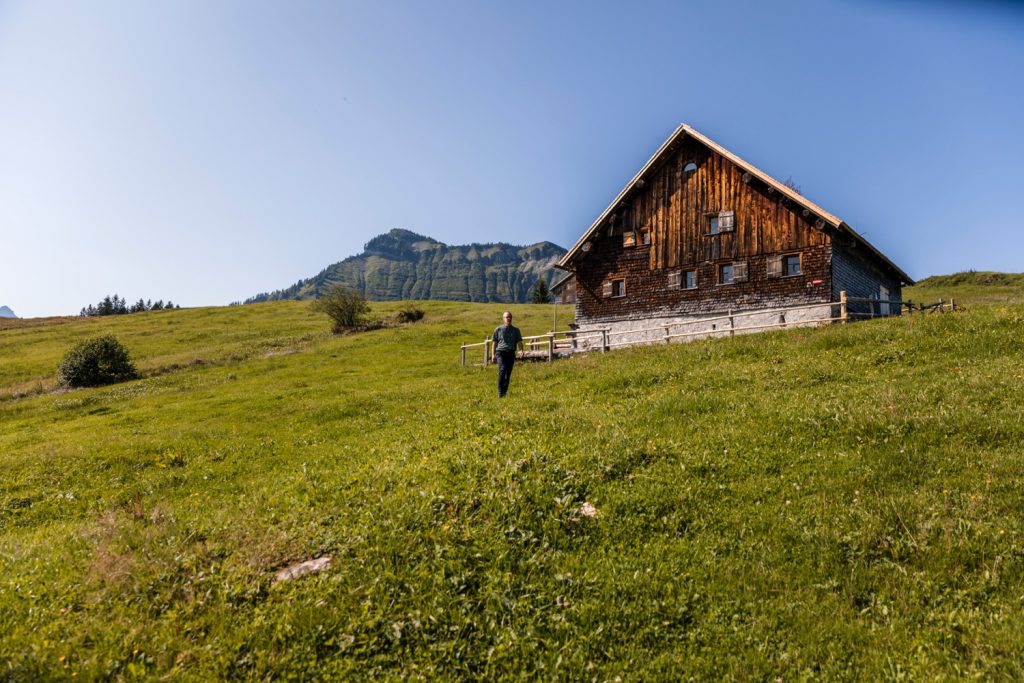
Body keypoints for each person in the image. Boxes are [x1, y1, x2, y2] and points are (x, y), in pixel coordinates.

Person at [492, 310, 524, 398]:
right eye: (506, 317)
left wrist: (521, 350)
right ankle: (500, 392)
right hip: (500, 353)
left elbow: (519, 342)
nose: (508, 318)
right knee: (502, 369)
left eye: (510, 317)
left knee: (508, 374)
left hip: (510, 353)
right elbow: (494, 343)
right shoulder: (498, 329)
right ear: (503, 319)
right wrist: (493, 355)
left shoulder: (516, 330)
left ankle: (504, 393)